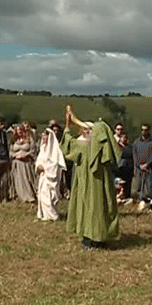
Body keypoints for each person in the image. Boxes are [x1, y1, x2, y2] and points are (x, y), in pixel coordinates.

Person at [61, 106, 122, 249]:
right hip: (103, 184)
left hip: (86, 183)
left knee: (88, 207)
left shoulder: (83, 146)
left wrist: (67, 126)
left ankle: (89, 237)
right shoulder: (105, 147)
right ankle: (102, 237)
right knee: (102, 207)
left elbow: (67, 145)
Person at [35, 128, 66, 221]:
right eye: (43, 137)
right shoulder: (42, 148)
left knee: (50, 197)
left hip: (50, 176)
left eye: (46, 137)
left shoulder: (55, 150)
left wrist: (46, 168)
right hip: (43, 176)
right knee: (42, 195)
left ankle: (52, 215)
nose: (44, 139)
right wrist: (38, 166)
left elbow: (55, 163)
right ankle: (45, 214)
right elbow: (39, 160)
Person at [9, 125, 37, 203]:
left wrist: (27, 155)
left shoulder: (29, 139)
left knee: (27, 180)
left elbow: (32, 150)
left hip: (26, 163)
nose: (19, 132)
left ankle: (29, 196)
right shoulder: (13, 140)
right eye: (18, 130)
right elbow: (11, 151)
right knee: (18, 180)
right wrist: (14, 156)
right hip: (17, 163)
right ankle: (19, 195)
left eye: (21, 130)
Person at [133, 123, 152, 211]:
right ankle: (140, 202)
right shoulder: (136, 142)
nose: (143, 131)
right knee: (139, 186)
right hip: (139, 168)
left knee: (149, 186)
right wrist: (139, 165)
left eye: (145, 130)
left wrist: (147, 164)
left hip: (149, 167)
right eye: (142, 130)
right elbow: (134, 155)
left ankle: (151, 204)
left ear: (148, 130)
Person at [117, 132, 134, 203]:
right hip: (120, 168)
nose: (124, 139)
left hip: (129, 167)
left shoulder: (130, 147)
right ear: (120, 138)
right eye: (123, 137)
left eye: (125, 138)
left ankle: (127, 196)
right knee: (120, 183)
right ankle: (120, 197)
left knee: (128, 183)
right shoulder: (117, 146)